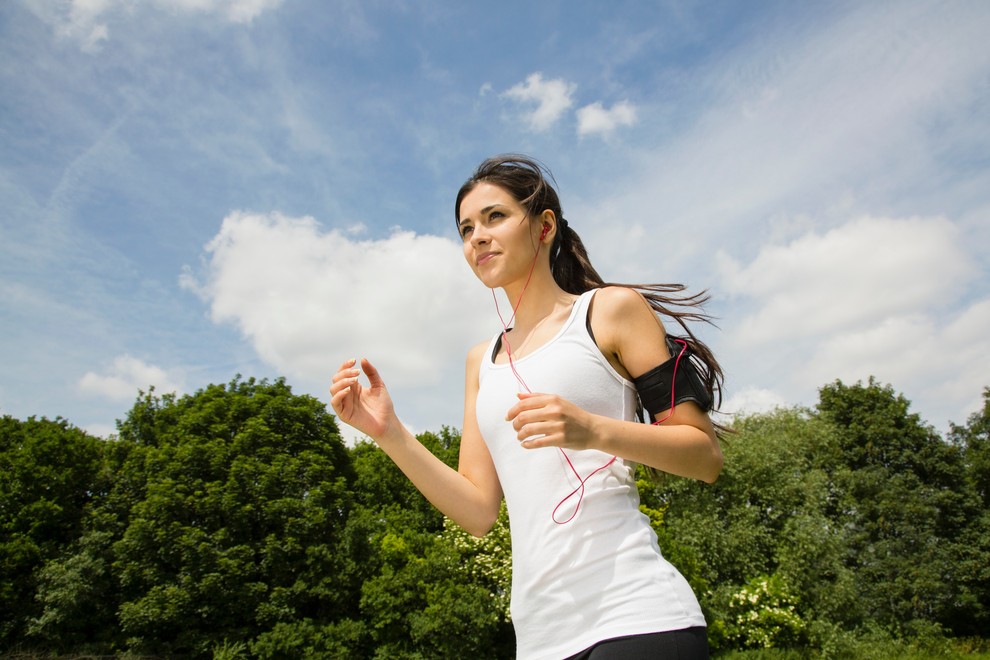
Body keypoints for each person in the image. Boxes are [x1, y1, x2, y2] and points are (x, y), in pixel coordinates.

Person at [330, 154, 725, 659]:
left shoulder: (611, 311)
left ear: (544, 226)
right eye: (466, 228)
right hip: (541, 639)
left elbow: (703, 456)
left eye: (495, 217)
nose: (477, 236)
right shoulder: (481, 361)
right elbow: (477, 512)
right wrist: (389, 434)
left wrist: (590, 429)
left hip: (636, 616)